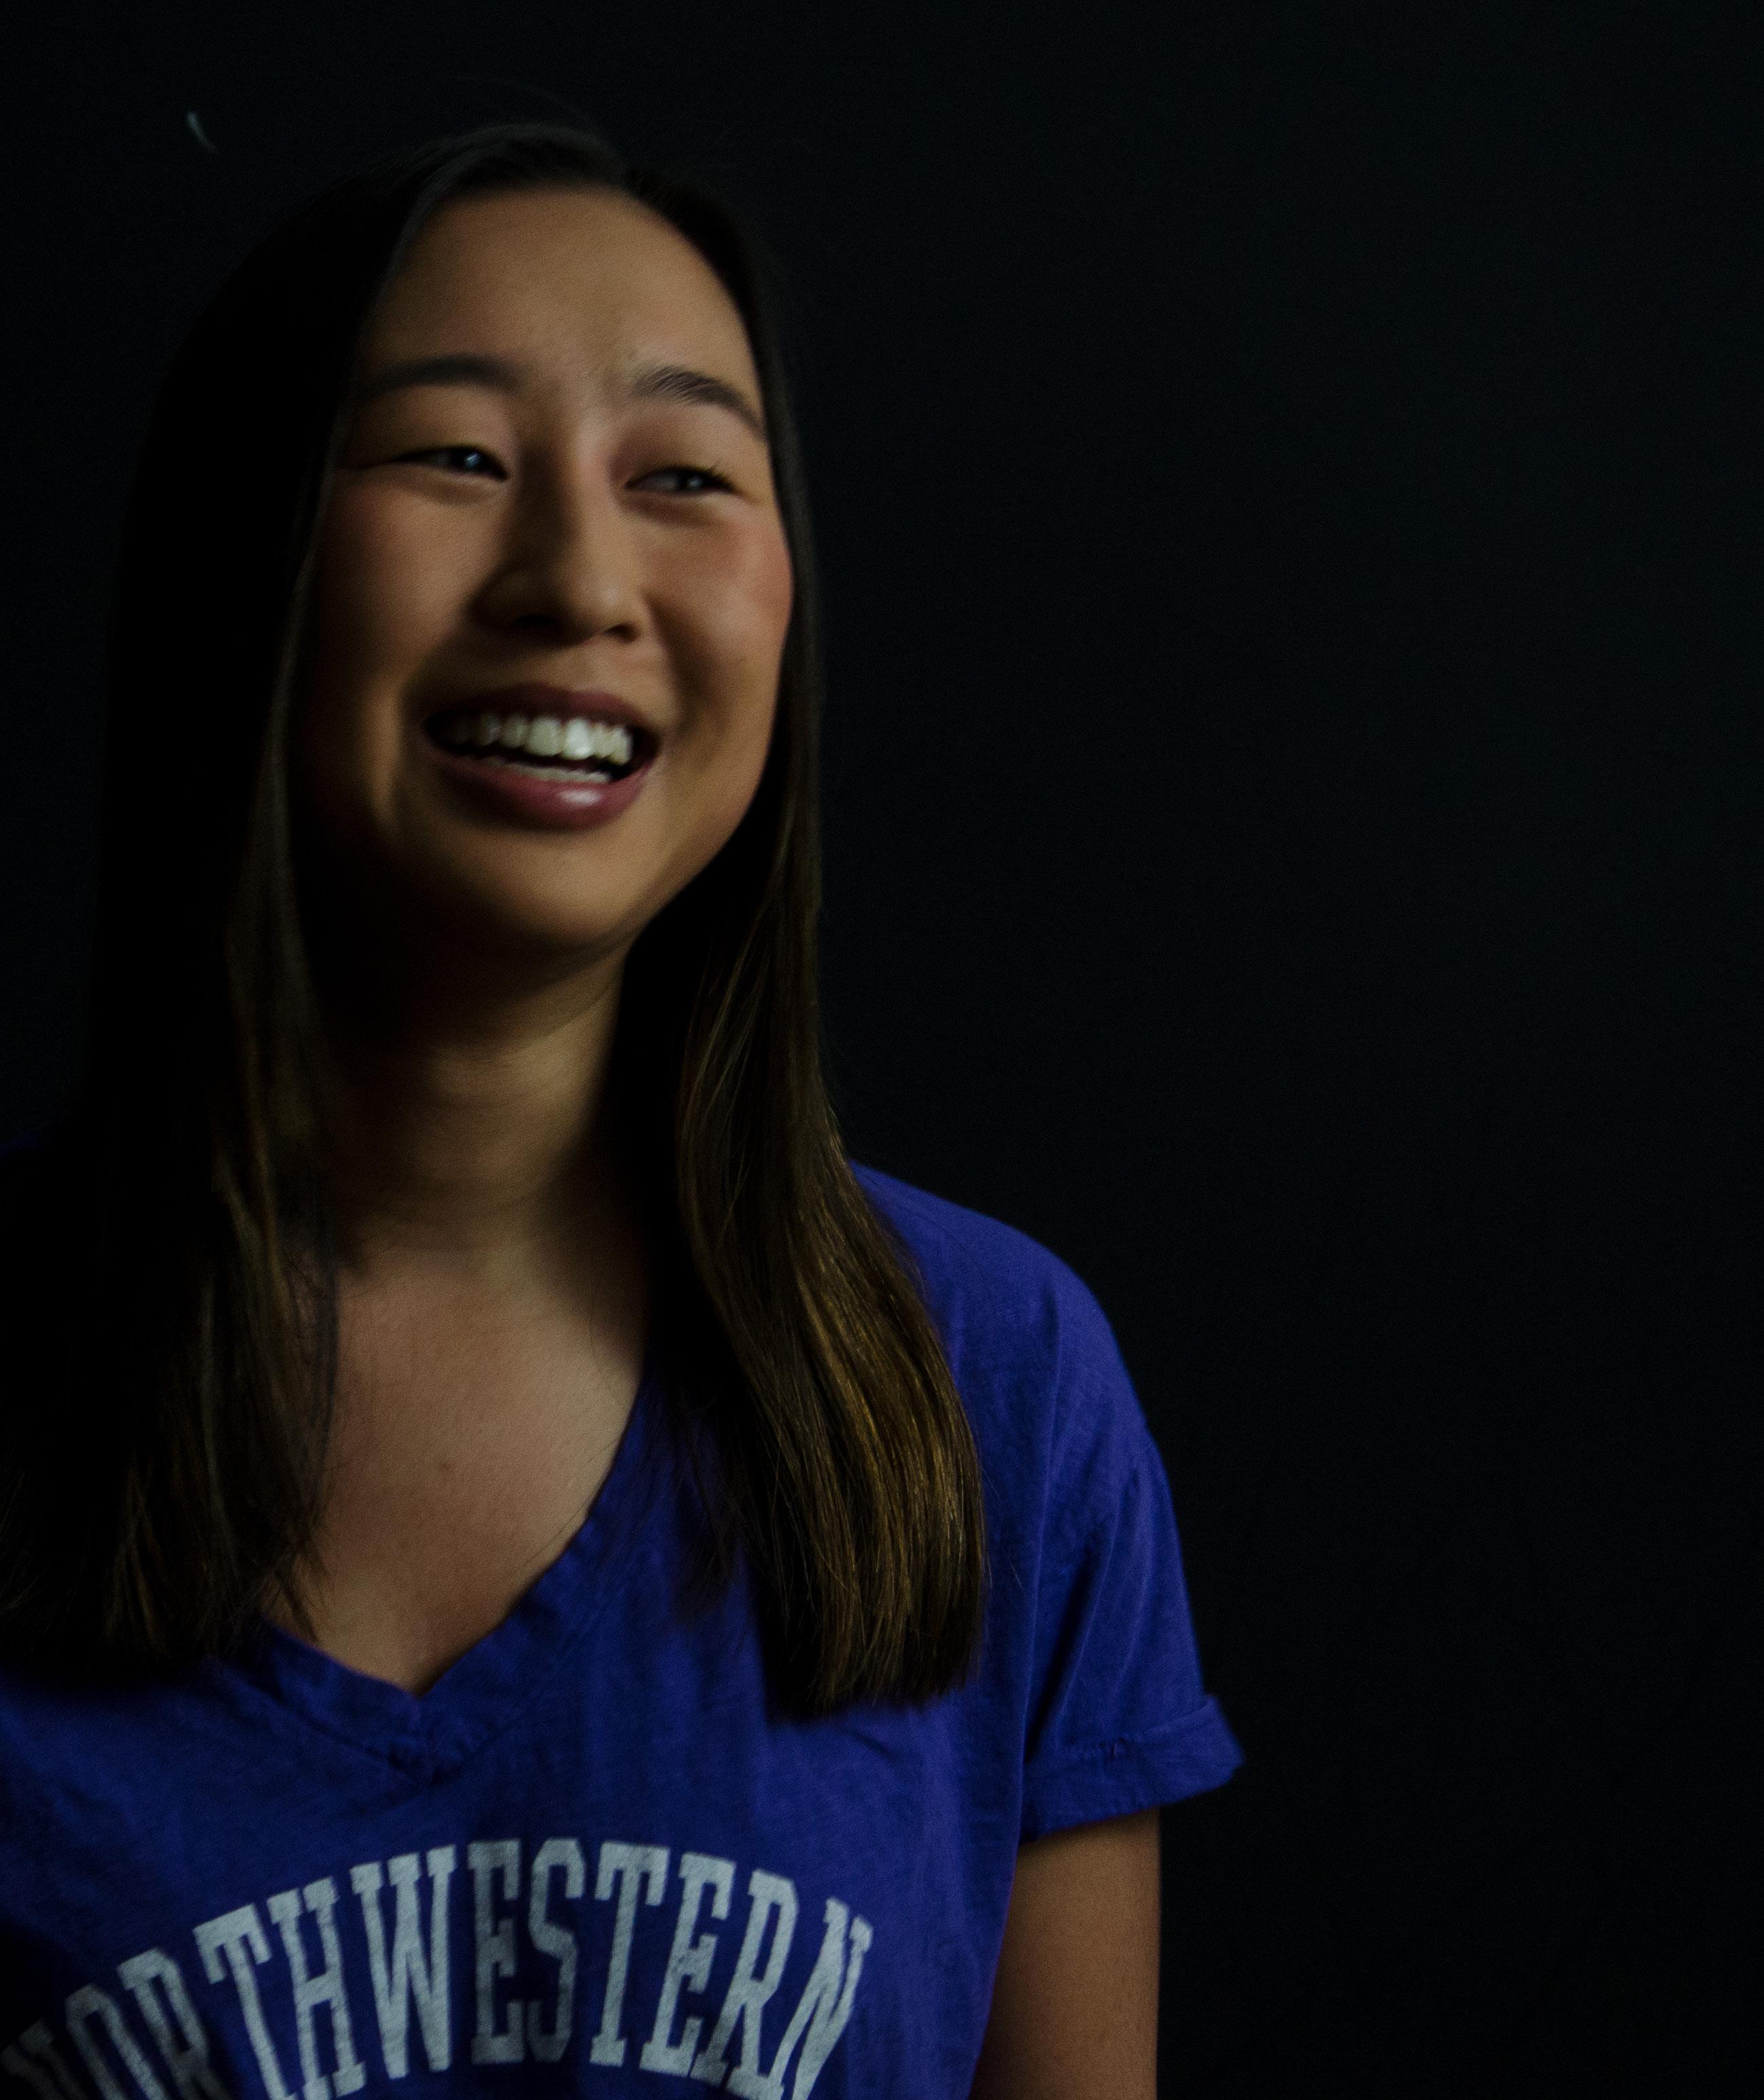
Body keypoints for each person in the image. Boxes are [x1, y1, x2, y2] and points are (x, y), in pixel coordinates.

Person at [0, 124, 1240, 2099]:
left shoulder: (994, 1386)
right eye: (453, 456)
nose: (579, 580)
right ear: (250, 556)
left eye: (682, 478)